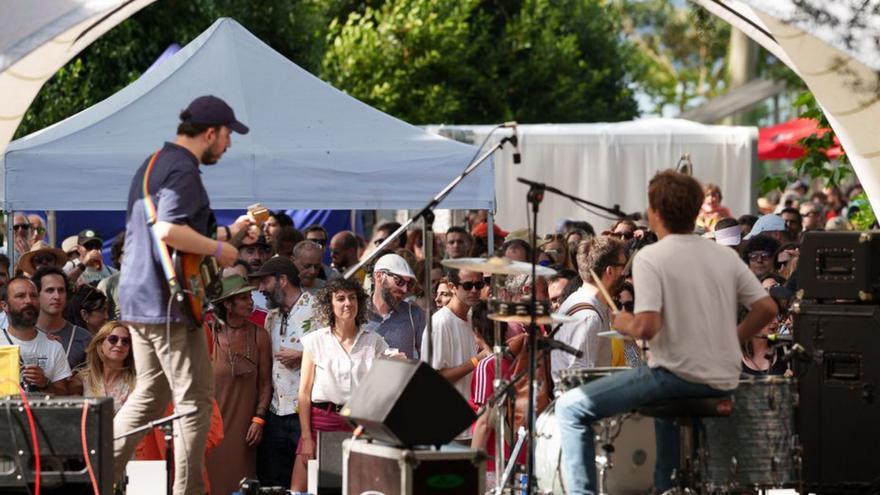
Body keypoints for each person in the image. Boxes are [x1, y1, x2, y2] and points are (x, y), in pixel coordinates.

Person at [556, 170, 777, 494]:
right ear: (695, 210)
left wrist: (624, 324)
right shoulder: (721, 254)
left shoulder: (651, 257)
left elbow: (647, 327)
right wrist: (734, 336)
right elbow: (767, 309)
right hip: (724, 376)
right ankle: (664, 485)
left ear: (655, 213)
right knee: (665, 406)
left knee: (570, 408)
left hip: (677, 375)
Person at [113, 95, 247, 495]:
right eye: (226, 136)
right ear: (209, 133)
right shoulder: (184, 171)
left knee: (151, 394)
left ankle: (92, 476)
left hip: (139, 300)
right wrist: (221, 250)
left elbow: (175, 234)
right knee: (196, 403)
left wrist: (228, 234)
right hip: (166, 304)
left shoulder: (154, 163)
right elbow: (169, 231)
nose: (228, 144)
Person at [290, 277, 392, 491]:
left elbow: (383, 391)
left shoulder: (374, 341)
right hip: (321, 422)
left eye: (352, 298)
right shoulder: (315, 340)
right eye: (341, 298)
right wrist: (306, 437)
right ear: (330, 304)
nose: (347, 303)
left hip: (360, 425)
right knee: (300, 489)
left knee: (355, 488)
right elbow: (304, 394)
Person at [248, 257, 317, 487]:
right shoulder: (272, 316)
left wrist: (302, 356)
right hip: (275, 413)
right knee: (272, 481)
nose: (261, 289)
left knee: (302, 484)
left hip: (304, 415)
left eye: (265, 282)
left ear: (283, 280)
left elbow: (334, 353)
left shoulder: (318, 309)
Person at [205, 275, 272, 495]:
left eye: (250, 296)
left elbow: (265, 384)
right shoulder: (207, 333)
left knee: (242, 485)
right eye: (243, 298)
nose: (250, 302)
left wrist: (259, 419)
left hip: (245, 430)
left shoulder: (260, 335)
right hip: (210, 428)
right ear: (227, 303)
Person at [422, 268, 490, 441]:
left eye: (478, 285)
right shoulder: (439, 323)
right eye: (468, 285)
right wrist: (478, 360)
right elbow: (434, 380)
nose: (474, 290)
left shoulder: (472, 317)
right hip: (448, 427)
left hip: (471, 425)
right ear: (452, 287)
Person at [551, 237, 626, 380]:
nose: (625, 273)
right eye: (623, 266)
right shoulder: (588, 316)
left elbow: (635, 364)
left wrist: (627, 339)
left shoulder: (594, 307)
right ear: (610, 271)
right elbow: (579, 381)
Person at [2, 276, 71, 394]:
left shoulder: (54, 346)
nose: (29, 301)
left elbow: (64, 395)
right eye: (20, 296)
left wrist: (45, 383)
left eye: (33, 296)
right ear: (4, 306)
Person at [364, 253, 425, 359]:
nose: (404, 289)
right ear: (379, 276)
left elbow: (425, 359)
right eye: (399, 281)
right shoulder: (357, 311)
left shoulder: (414, 314)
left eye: (408, 284)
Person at [69, 321, 135, 412]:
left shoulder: (137, 382)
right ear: (100, 344)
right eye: (113, 339)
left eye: (125, 341)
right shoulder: (82, 378)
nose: (119, 344)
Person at [34, 266, 92, 370]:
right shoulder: (24, 335)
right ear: (36, 295)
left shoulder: (84, 338)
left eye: (61, 290)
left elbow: (92, 380)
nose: (57, 296)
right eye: (50, 290)